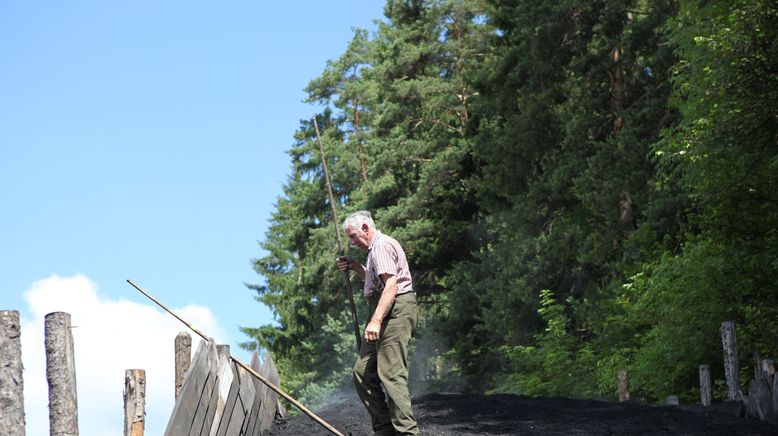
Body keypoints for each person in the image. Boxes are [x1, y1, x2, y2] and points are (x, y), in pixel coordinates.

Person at [337, 210, 420, 436]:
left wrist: (375, 321)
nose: (352, 242)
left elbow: (391, 286)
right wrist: (356, 267)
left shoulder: (381, 246)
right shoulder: (373, 251)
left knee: (391, 373)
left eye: (353, 236)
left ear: (365, 228)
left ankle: (407, 433)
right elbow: (377, 283)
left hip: (395, 311)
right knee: (363, 372)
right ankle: (385, 431)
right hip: (384, 311)